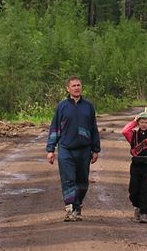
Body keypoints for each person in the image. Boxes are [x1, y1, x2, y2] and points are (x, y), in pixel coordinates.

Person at [46, 76, 101, 221]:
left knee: (82, 181)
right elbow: (54, 128)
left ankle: (77, 206)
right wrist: (50, 149)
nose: (77, 88)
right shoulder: (62, 106)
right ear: (68, 89)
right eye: (74, 86)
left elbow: (93, 128)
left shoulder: (88, 106)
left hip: (84, 149)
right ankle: (70, 209)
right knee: (68, 179)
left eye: (78, 85)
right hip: (66, 148)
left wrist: (96, 149)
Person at [121, 109, 147, 223]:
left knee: (145, 189)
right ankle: (137, 206)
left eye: (146, 122)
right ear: (138, 123)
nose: (143, 124)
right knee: (133, 189)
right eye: (141, 122)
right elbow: (124, 131)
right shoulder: (133, 135)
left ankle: (144, 213)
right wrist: (134, 122)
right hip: (136, 164)